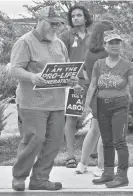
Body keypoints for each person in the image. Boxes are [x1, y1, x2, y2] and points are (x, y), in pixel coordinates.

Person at [10, 6, 78, 191]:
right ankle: (19, 176)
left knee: (54, 142)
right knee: (34, 139)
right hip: (32, 102)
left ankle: (40, 179)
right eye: (52, 23)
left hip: (56, 103)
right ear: (40, 20)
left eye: (59, 24)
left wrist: (71, 79)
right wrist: (32, 76)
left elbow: (66, 67)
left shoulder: (59, 44)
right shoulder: (25, 42)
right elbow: (14, 69)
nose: (56, 27)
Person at [84, 29, 133, 188]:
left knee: (119, 141)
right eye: (111, 43)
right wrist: (87, 106)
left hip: (119, 105)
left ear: (121, 45)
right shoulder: (99, 64)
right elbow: (93, 85)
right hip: (101, 105)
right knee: (106, 141)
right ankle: (108, 173)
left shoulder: (127, 64)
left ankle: (122, 175)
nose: (115, 46)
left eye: (117, 42)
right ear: (105, 46)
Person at [75, 20, 114, 177]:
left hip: (93, 95)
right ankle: (101, 167)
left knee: (94, 130)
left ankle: (82, 164)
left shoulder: (89, 53)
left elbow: (85, 74)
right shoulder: (107, 54)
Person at [59, 4, 93, 168]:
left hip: (94, 82)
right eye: (73, 16)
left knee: (97, 116)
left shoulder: (94, 36)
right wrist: (71, 79)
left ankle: (93, 150)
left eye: (79, 15)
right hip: (75, 83)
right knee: (72, 117)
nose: (75, 18)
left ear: (85, 17)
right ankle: (70, 156)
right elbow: (60, 58)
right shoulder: (65, 36)